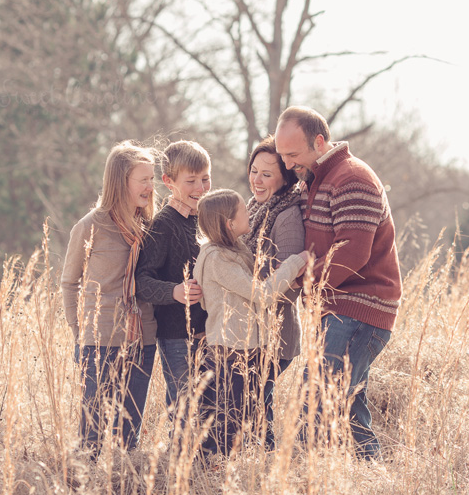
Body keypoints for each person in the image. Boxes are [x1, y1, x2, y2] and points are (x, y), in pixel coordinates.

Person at [273, 106, 402, 461]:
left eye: (293, 155)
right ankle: (371, 475)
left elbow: (352, 254)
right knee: (349, 409)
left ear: (319, 141)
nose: (287, 165)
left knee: (315, 403)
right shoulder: (316, 180)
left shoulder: (352, 178)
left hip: (359, 310)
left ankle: (301, 480)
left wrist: (308, 287)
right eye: (282, 155)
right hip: (336, 310)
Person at [193, 190, 308, 453]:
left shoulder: (235, 249)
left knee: (243, 414)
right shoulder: (217, 258)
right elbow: (263, 294)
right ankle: (212, 470)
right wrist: (294, 263)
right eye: (243, 209)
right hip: (230, 351)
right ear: (229, 223)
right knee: (227, 419)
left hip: (245, 350)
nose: (250, 211)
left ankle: (232, 464)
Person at [60, 142, 158, 450]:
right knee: (92, 433)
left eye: (152, 179)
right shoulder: (91, 226)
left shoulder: (150, 227)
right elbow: (69, 282)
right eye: (143, 179)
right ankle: (86, 493)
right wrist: (80, 331)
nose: (150, 186)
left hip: (141, 338)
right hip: (99, 339)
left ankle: (125, 494)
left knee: (129, 435)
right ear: (121, 182)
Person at [135, 139, 211, 411]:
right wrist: (173, 291)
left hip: (207, 331)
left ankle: (200, 454)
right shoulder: (162, 224)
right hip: (176, 333)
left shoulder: (205, 219)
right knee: (183, 402)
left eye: (205, 179)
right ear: (169, 181)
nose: (200, 188)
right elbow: (141, 280)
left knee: (206, 403)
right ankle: (179, 451)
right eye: (191, 181)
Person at [245, 137, 307, 447]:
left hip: (274, 333)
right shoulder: (255, 207)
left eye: (266, 174)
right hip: (249, 330)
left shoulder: (287, 217)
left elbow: (290, 285)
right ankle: (256, 460)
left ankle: (264, 460)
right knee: (251, 402)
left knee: (254, 402)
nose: (256, 179)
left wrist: (247, 288)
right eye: (253, 170)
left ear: (285, 178)